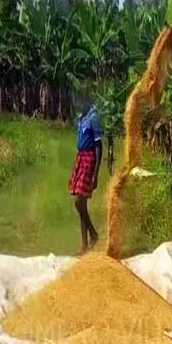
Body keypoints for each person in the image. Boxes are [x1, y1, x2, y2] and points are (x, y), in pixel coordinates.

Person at [69, 104, 103, 253]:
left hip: (89, 159)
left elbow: (98, 146)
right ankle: (85, 245)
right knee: (81, 204)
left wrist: (96, 173)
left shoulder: (93, 118)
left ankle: (93, 234)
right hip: (80, 158)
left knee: (79, 202)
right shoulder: (81, 119)